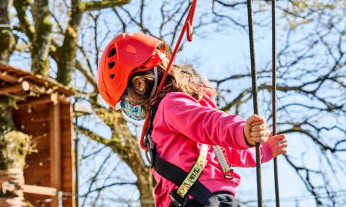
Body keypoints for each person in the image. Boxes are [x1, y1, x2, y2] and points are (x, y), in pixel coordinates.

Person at [97, 32, 288, 207]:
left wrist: (242, 132)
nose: (131, 107)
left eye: (128, 99)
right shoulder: (171, 116)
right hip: (210, 200)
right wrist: (265, 149)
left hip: (198, 201)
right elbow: (228, 151)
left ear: (141, 83)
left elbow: (210, 123)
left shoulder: (170, 105)